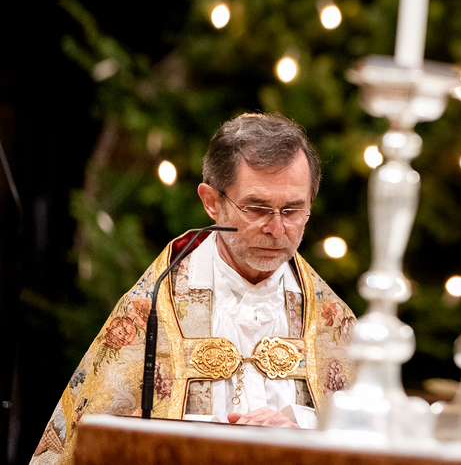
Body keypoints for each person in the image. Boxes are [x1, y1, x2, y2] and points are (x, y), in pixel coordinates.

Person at [31, 113, 355, 465]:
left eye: (292, 210)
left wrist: (302, 432)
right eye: (257, 208)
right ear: (211, 201)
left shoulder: (332, 323)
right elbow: (93, 442)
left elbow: (366, 442)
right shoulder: (151, 309)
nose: (277, 230)